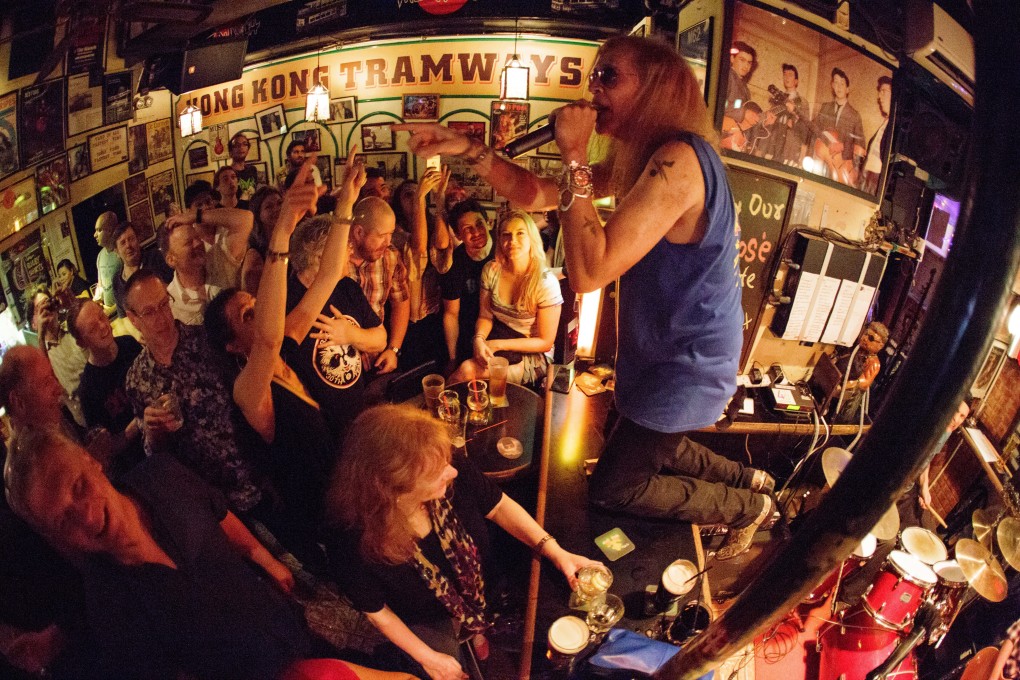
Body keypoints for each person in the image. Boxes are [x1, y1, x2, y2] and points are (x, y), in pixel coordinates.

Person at [396, 34, 773, 559]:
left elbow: (590, 270)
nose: (592, 88)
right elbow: (538, 195)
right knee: (652, 441)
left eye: (609, 76)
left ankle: (748, 508)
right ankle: (752, 478)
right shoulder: (648, 158)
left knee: (619, 486)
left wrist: (573, 151)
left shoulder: (680, 160)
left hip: (685, 361)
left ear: (657, 87)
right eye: (595, 76)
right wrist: (467, 149)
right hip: (663, 352)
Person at [324, 404, 600, 680]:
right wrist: (429, 658)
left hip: (481, 585)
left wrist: (554, 550)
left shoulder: (445, 462)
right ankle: (470, 633)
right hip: (430, 615)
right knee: (449, 666)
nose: (452, 472)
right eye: (437, 473)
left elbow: (499, 506)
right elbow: (378, 613)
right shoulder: (350, 542)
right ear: (394, 490)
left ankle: (478, 629)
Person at [204, 156, 362, 567]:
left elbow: (328, 277)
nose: (260, 313)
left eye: (257, 304)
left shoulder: (288, 341)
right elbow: (269, 338)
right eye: (246, 314)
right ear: (232, 347)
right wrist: (283, 230)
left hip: (354, 495)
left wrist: (345, 205)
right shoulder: (248, 392)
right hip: (325, 527)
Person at [449, 210, 562, 386]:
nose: (513, 241)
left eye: (520, 234)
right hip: (499, 341)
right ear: (500, 240)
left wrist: (498, 345)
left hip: (532, 355)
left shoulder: (545, 283)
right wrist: (479, 338)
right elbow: (485, 317)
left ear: (532, 237)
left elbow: (545, 342)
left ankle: (438, 411)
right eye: (506, 235)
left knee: (466, 371)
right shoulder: (491, 271)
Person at [68, 298, 145, 479]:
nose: (103, 326)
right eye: (93, 328)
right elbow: (108, 447)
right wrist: (139, 423)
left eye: (102, 317)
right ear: (81, 343)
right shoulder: (88, 390)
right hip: (138, 465)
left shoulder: (128, 344)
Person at [390, 170, 454, 371]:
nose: (414, 197)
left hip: (432, 313)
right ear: (398, 202)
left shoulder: (431, 221)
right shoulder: (394, 232)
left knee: (434, 372)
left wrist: (439, 198)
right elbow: (417, 247)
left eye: (416, 192)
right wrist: (419, 199)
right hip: (404, 319)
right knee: (409, 376)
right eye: (407, 194)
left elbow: (443, 244)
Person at [347, 196, 410, 376]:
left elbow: (401, 302)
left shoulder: (390, 257)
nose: (388, 242)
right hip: (342, 361)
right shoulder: (334, 260)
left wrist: (394, 349)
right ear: (358, 232)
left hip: (376, 359)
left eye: (391, 234)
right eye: (382, 236)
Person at [436, 200, 494, 367]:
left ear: (488, 223)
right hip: (469, 331)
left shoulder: (503, 249)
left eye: (479, 224)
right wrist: (452, 358)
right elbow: (451, 314)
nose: (475, 232)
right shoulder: (454, 263)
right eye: (467, 229)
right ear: (458, 235)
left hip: (504, 328)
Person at [811, 67, 865, 185]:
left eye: (842, 83)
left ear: (847, 89)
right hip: (821, 165)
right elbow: (812, 129)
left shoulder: (855, 115)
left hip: (841, 169)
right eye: (836, 82)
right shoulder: (824, 107)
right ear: (832, 85)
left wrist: (843, 146)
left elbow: (860, 147)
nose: (839, 86)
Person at [110, 220, 172, 318]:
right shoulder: (117, 281)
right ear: (116, 252)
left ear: (138, 240)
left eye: (131, 239)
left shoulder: (156, 258)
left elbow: (174, 288)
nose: (128, 245)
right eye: (122, 243)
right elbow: (123, 317)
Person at [760, 63, 810, 165]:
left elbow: (806, 128)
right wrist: (766, 121)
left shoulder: (802, 102)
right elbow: (767, 122)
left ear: (796, 81)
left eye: (790, 75)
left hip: (790, 148)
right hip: (772, 146)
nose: (786, 77)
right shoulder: (776, 99)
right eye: (785, 74)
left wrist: (794, 122)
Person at [240, 185, 284, 293]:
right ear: (258, 215)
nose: (277, 209)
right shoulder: (255, 256)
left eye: (280, 203)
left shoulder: (292, 240)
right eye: (269, 207)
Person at [860, 76, 893, 194]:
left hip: (875, 180)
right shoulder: (886, 122)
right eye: (880, 92)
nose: (880, 97)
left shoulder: (895, 125)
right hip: (867, 177)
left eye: (884, 91)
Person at [92, 212, 122, 314]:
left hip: (123, 312)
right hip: (109, 312)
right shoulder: (100, 256)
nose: (95, 235)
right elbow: (100, 284)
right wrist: (96, 300)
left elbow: (129, 290)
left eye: (99, 230)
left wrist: (111, 310)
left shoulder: (122, 253)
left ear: (110, 230)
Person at [724, 41, 756, 124]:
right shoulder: (727, 76)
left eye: (749, 63)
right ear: (732, 58)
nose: (746, 66)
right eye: (742, 60)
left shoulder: (745, 88)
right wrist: (743, 113)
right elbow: (718, 103)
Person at [228, 132, 260, 202]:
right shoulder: (227, 174)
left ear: (248, 149)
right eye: (237, 145)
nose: (241, 147)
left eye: (245, 144)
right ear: (230, 151)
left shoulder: (252, 170)